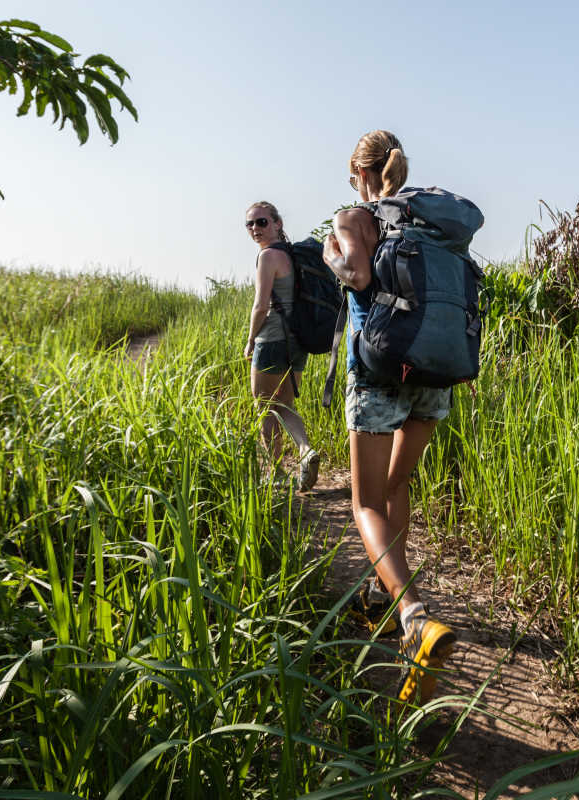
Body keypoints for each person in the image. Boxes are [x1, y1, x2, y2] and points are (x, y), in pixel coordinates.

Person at [322, 131, 457, 705]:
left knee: (366, 501)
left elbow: (354, 275)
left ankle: (413, 614)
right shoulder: (430, 220)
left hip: (379, 370)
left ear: (359, 172)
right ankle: (384, 595)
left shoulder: (355, 215)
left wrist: (334, 257)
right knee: (400, 484)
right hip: (436, 371)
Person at [244, 201, 319, 491]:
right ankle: (305, 450)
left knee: (264, 406)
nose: (255, 229)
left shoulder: (268, 256)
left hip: (272, 339)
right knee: (284, 404)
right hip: (297, 342)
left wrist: (251, 338)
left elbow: (261, 305)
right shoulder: (293, 255)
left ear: (277, 224)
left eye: (261, 222)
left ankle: (274, 473)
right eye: (250, 224)